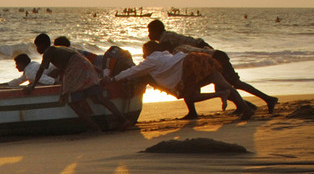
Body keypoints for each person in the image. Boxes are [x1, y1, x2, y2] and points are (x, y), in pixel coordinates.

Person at [147, 19, 277, 117]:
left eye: (150, 32)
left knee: (232, 83)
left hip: (212, 58)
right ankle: (245, 106)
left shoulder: (166, 38)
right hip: (207, 58)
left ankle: (265, 100)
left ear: (156, 31)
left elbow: (172, 51)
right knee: (202, 84)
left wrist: (209, 55)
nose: (149, 35)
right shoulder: (167, 39)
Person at [109, 41, 255, 120]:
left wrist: (114, 78)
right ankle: (246, 109)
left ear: (148, 51)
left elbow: (133, 71)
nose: (143, 55)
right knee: (224, 83)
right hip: (200, 58)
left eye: (143, 52)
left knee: (190, 95)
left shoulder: (152, 59)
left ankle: (220, 95)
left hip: (189, 65)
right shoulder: (165, 54)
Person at [25, 33, 130, 133]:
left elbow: (41, 70)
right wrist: (97, 71)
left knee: (71, 101)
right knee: (99, 97)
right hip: (85, 66)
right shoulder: (60, 49)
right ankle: (123, 120)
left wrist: (33, 85)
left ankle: (94, 127)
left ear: (42, 45)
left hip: (76, 69)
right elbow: (71, 62)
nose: (37, 49)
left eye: (37, 46)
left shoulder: (48, 51)